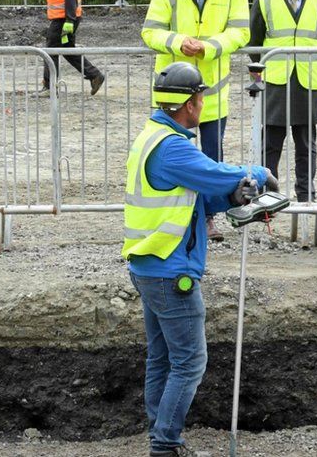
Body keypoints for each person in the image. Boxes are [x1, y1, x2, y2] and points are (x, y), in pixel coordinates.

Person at [122, 62, 276, 457]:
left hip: (150, 264)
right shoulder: (172, 146)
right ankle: (165, 445)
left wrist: (232, 197)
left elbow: (195, 195)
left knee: (162, 358)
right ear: (190, 103)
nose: (204, 102)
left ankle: (162, 436)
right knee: (189, 362)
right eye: (201, 96)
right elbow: (216, 173)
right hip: (170, 270)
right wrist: (258, 173)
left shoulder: (155, 136)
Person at [141, 0, 250, 242]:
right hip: (172, 98)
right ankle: (173, 219)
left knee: (211, 162)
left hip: (212, 96)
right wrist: (178, 42)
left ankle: (207, 218)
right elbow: (151, 32)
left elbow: (241, 33)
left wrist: (209, 47)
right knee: (172, 158)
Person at [248, 0, 317, 203]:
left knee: (306, 144)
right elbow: (255, 42)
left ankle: (306, 195)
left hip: (307, 81)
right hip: (276, 80)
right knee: (271, 143)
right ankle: (266, 196)